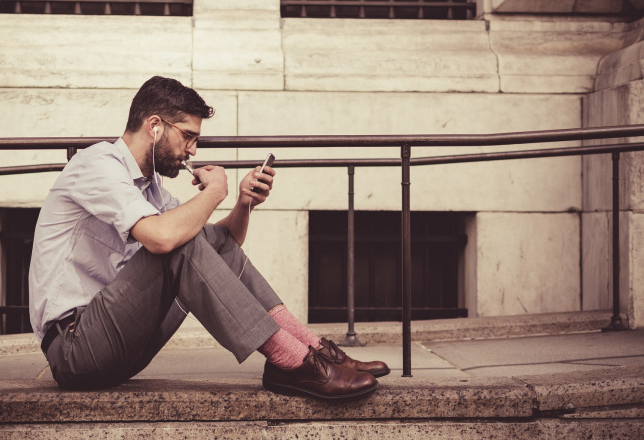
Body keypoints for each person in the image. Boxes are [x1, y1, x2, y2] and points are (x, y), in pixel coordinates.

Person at [28, 76, 390, 400]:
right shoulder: (97, 166)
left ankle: (313, 351)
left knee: (195, 237)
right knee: (173, 241)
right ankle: (291, 362)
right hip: (75, 347)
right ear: (154, 126)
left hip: (122, 345)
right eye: (188, 136)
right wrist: (213, 193)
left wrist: (243, 203)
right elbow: (163, 239)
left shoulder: (151, 188)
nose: (193, 151)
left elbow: (219, 243)